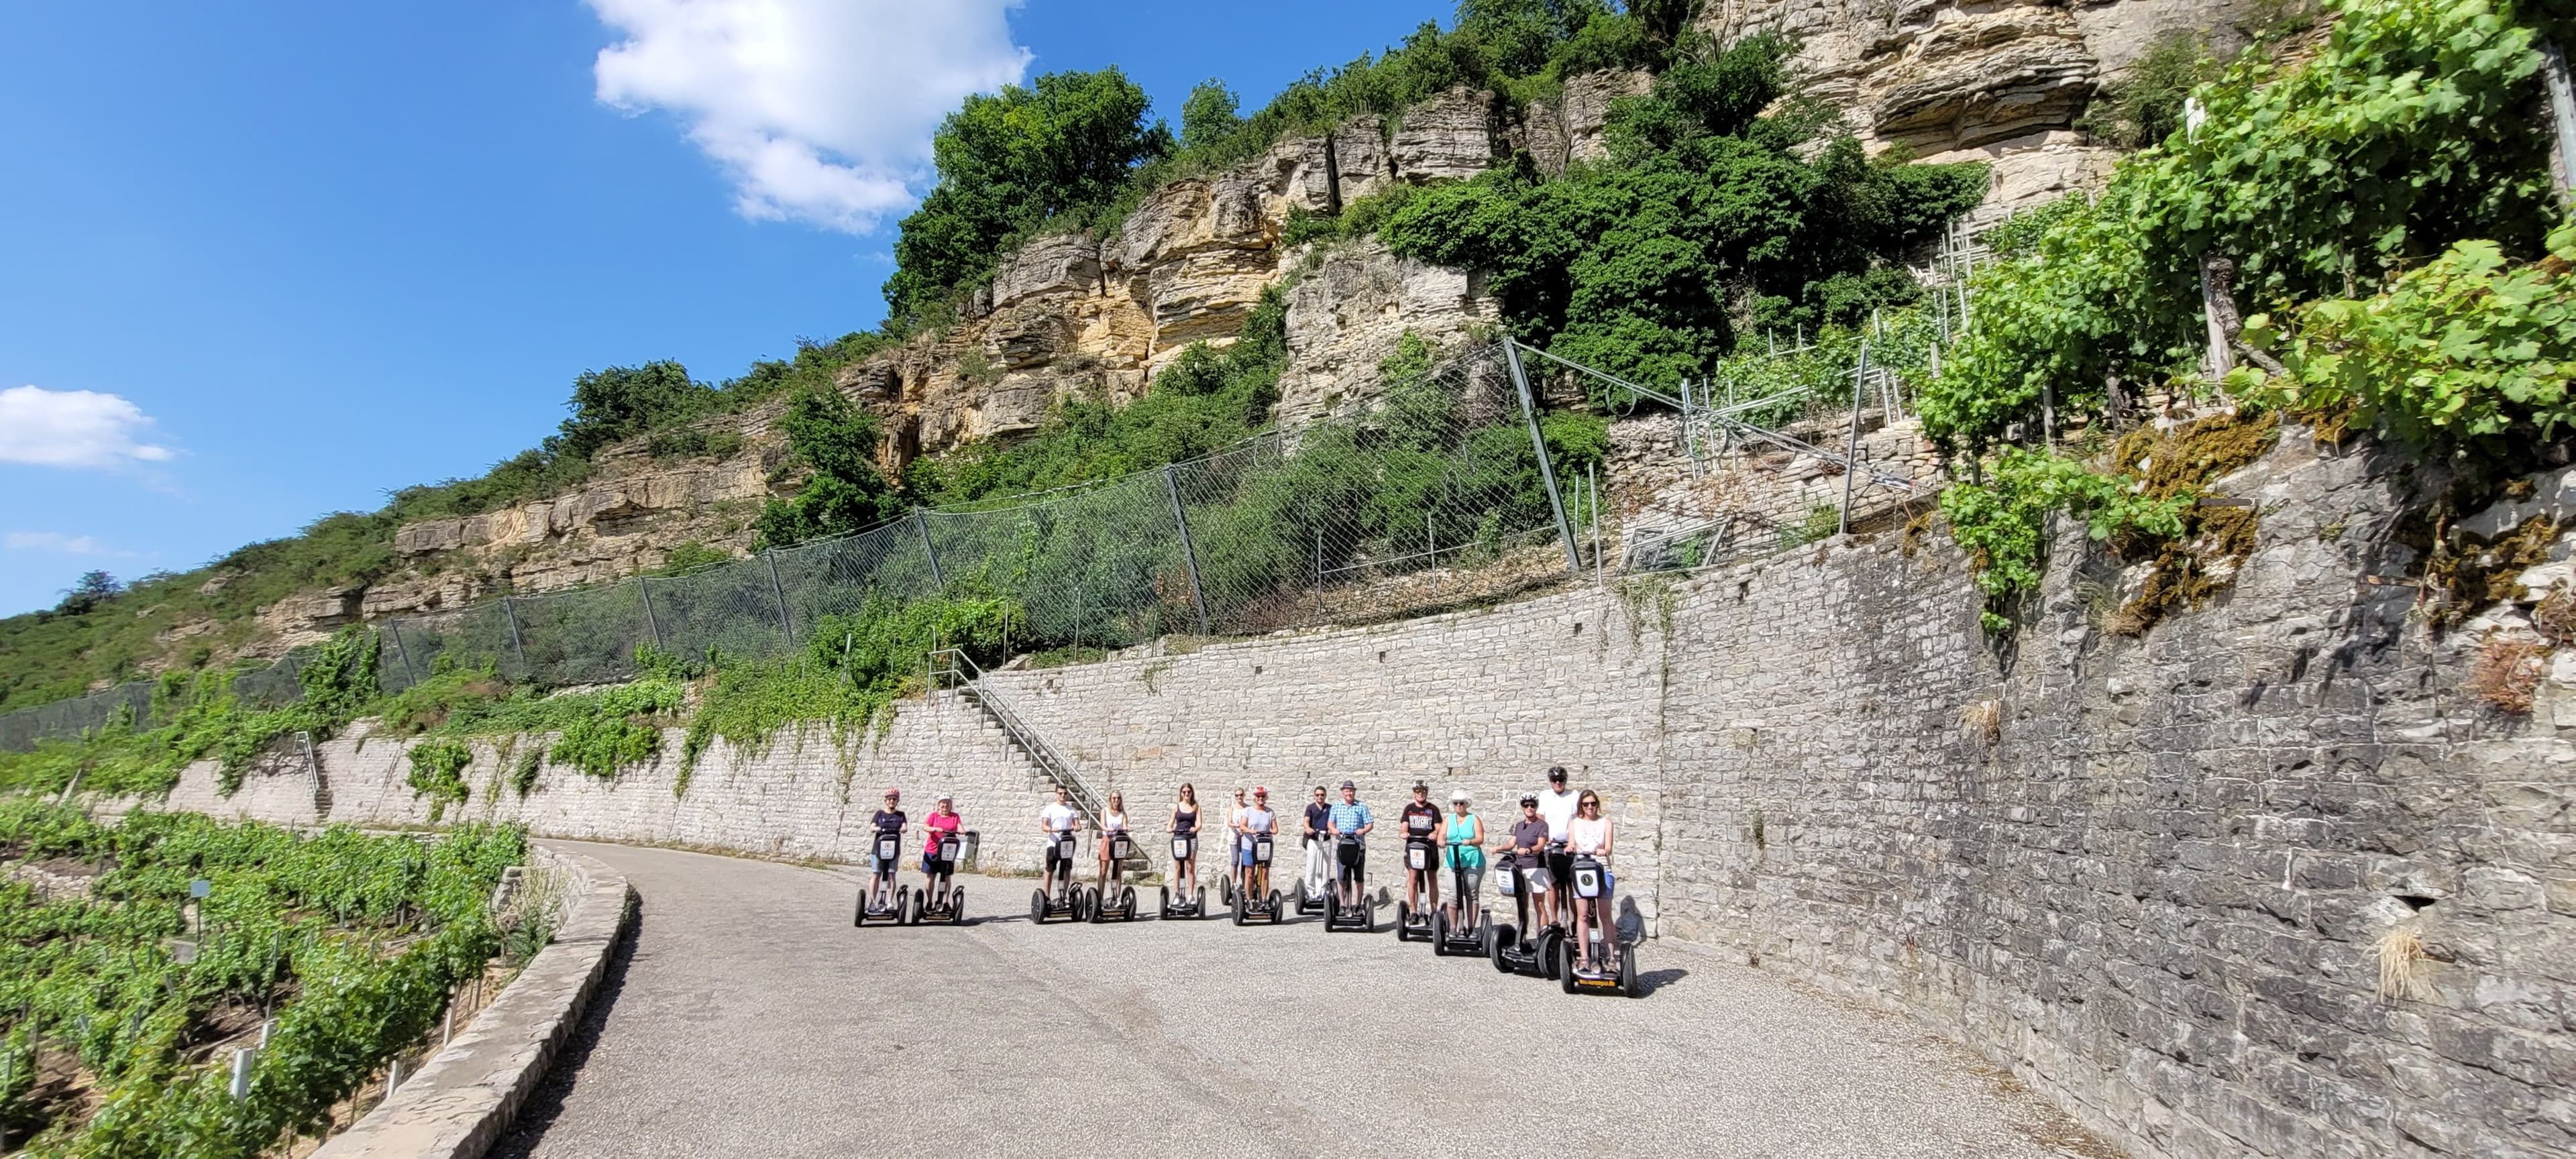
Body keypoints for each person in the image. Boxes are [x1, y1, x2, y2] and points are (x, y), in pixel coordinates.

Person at [1566, 789, 1616, 967]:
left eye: (1593, 804)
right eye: (1586, 804)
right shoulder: (1575, 823)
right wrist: (1570, 848)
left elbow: (1609, 847)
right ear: (1581, 806)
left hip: (1602, 870)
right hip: (1582, 870)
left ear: (1597, 805)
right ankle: (1585, 958)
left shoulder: (1606, 822)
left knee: (1605, 915)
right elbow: (1572, 843)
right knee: (1583, 915)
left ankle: (1611, 958)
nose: (1590, 807)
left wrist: (1603, 850)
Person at [1535, 766, 1580, 917]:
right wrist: (1544, 837)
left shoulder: (1574, 795)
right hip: (1551, 846)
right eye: (1554, 780)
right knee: (1552, 884)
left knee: (1571, 884)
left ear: (1565, 781)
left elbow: (1577, 819)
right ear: (1550, 781)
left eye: (1561, 780)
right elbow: (1541, 818)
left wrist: (1573, 841)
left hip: (1569, 845)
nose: (1558, 783)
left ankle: (1575, 922)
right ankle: (1555, 919)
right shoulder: (1545, 796)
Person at [1506, 795, 1554, 930]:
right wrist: (1498, 848)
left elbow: (1540, 846)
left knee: (1539, 904)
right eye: (1526, 806)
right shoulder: (1519, 825)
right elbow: (1511, 843)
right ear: (1523, 808)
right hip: (1521, 868)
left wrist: (1528, 850)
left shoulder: (1542, 825)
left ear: (1536, 807)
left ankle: (1543, 936)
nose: (1529, 808)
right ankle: (1523, 936)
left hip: (1536, 867)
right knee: (1522, 904)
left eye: (1532, 806)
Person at [1326, 780, 1375, 907]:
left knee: (1359, 877)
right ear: (1343, 793)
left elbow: (1370, 824)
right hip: (1342, 845)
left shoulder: (1361, 806)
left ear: (1354, 792)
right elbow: (1330, 823)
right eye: (1347, 791)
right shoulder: (1336, 806)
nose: (1349, 793)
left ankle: (1358, 905)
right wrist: (1333, 829)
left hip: (1358, 846)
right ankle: (1342, 904)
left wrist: (1363, 830)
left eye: (1351, 791)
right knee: (1341, 876)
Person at [1399, 782, 1443, 918]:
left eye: (1423, 791)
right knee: (1413, 879)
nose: (1420, 794)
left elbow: (1439, 827)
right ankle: (1414, 912)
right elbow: (1404, 827)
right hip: (1414, 846)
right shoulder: (1409, 809)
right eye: (1418, 791)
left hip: (1429, 848)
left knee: (1432, 879)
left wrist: (1435, 834)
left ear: (1427, 793)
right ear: (1414, 793)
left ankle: (1434, 912)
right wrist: (1404, 833)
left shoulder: (1433, 809)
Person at [1441, 789, 1485, 926]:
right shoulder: (1448, 819)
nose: (1459, 805)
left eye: (1462, 803)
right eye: (1456, 803)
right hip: (1453, 861)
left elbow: (1480, 838)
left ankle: (1471, 928)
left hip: (1472, 860)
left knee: (1471, 894)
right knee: (1453, 895)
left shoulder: (1474, 819)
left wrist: (1470, 841)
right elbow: (1441, 834)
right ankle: (1455, 928)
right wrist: (1441, 841)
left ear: (1466, 805)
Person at [1038, 785, 1083, 901]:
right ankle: (1047, 897)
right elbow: (1044, 826)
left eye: (1065, 793)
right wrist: (1052, 829)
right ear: (1056, 794)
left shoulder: (1071, 810)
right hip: (1053, 843)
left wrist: (1077, 827)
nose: (1063, 796)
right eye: (1060, 793)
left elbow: (1077, 825)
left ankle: (1063, 897)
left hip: (1067, 844)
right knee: (1050, 870)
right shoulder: (1050, 809)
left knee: (1067, 869)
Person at [1235, 787, 1278, 899]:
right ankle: (1249, 898)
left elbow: (1275, 829)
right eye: (1258, 796)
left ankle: (1263, 899)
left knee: (1264, 873)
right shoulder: (1248, 811)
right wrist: (1250, 831)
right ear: (1254, 797)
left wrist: (1269, 831)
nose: (1260, 798)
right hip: (1250, 845)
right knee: (1249, 872)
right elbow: (1242, 826)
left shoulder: (1270, 812)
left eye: (1263, 796)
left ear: (1266, 797)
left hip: (1264, 846)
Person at [868, 789, 907, 908]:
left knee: (891, 875)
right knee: (876, 874)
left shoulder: (901, 815)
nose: (892, 801)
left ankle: (889, 901)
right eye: (889, 799)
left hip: (893, 851)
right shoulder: (879, 814)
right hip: (878, 850)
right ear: (886, 800)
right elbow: (872, 827)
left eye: (894, 799)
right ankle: (873, 901)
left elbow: (904, 827)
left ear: (897, 801)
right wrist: (877, 829)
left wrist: (903, 829)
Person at [920, 791, 963, 891]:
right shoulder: (934, 816)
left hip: (948, 851)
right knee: (931, 876)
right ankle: (930, 902)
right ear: (939, 805)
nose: (945, 805)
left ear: (951, 805)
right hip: (933, 850)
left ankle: (944, 902)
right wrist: (935, 829)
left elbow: (960, 828)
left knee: (946, 876)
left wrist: (962, 831)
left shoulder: (955, 817)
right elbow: (926, 827)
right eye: (943, 803)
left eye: (948, 803)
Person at [1301, 785, 1332, 903]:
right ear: (1314, 796)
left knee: (1325, 866)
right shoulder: (1311, 808)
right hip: (1313, 840)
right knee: (1312, 865)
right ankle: (1310, 890)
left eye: (1322, 795)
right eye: (1318, 795)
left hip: (1326, 840)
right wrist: (1308, 828)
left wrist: (1331, 830)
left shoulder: (1330, 808)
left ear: (1325, 796)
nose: (1320, 797)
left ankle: (1323, 890)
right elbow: (1306, 821)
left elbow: (1333, 821)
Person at [1169, 783, 1201, 895]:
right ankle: (1177, 894)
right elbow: (1171, 823)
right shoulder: (1177, 807)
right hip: (1179, 839)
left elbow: (1199, 824)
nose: (1187, 794)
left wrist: (1195, 828)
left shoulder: (1196, 807)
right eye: (1184, 792)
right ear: (1181, 794)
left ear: (1192, 793)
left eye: (1189, 792)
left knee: (1190, 867)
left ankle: (1191, 895)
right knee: (1178, 867)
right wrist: (1169, 828)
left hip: (1191, 838)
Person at [1097, 791, 1130, 893]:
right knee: (1103, 871)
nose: (1116, 800)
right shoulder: (1105, 811)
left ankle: (1117, 898)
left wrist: (1126, 829)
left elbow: (1124, 826)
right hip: (1107, 840)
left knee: (1118, 872)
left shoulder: (1123, 814)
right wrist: (1107, 829)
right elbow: (1102, 824)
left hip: (1118, 842)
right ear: (1110, 799)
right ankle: (1100, 899)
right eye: (1114, 798)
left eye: (1118, 798)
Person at [1226, 787, 1250, 898]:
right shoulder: (1232, 808)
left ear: (1244, 795)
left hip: (1245, 837)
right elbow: (1229, 822)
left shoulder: (1248, 808)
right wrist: (1237, 826)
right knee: (1235, 860)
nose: (1239, 797)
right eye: (1237, 795)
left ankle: (1245, 883)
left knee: (1246, 862)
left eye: (1241, 795)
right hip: (1235, 836)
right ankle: (1234, 883)